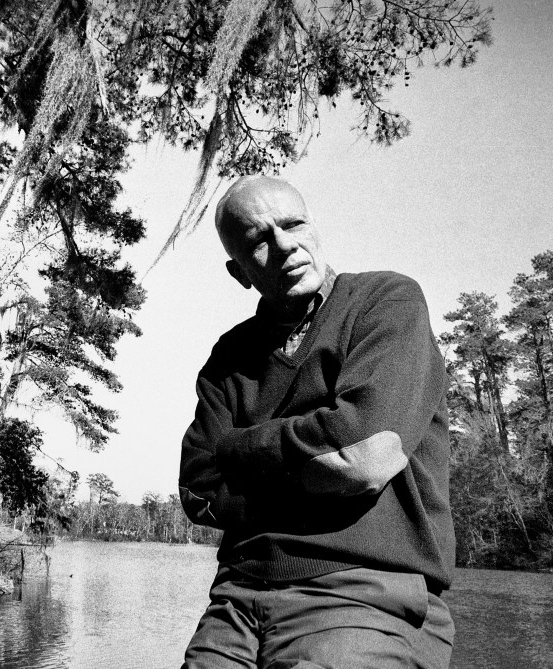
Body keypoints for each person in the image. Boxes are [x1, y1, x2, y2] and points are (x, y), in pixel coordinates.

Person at [178, 175, 456, 669]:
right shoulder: (229, 356)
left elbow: (365, 455)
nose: (285, 245)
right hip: (235, 601)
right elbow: (198, 487)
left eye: (293, 224)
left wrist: (240, 447)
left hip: (362, 595)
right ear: (239, 272)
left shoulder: (386, 301)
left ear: (315, 227)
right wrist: (317, 468)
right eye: (259, 240)